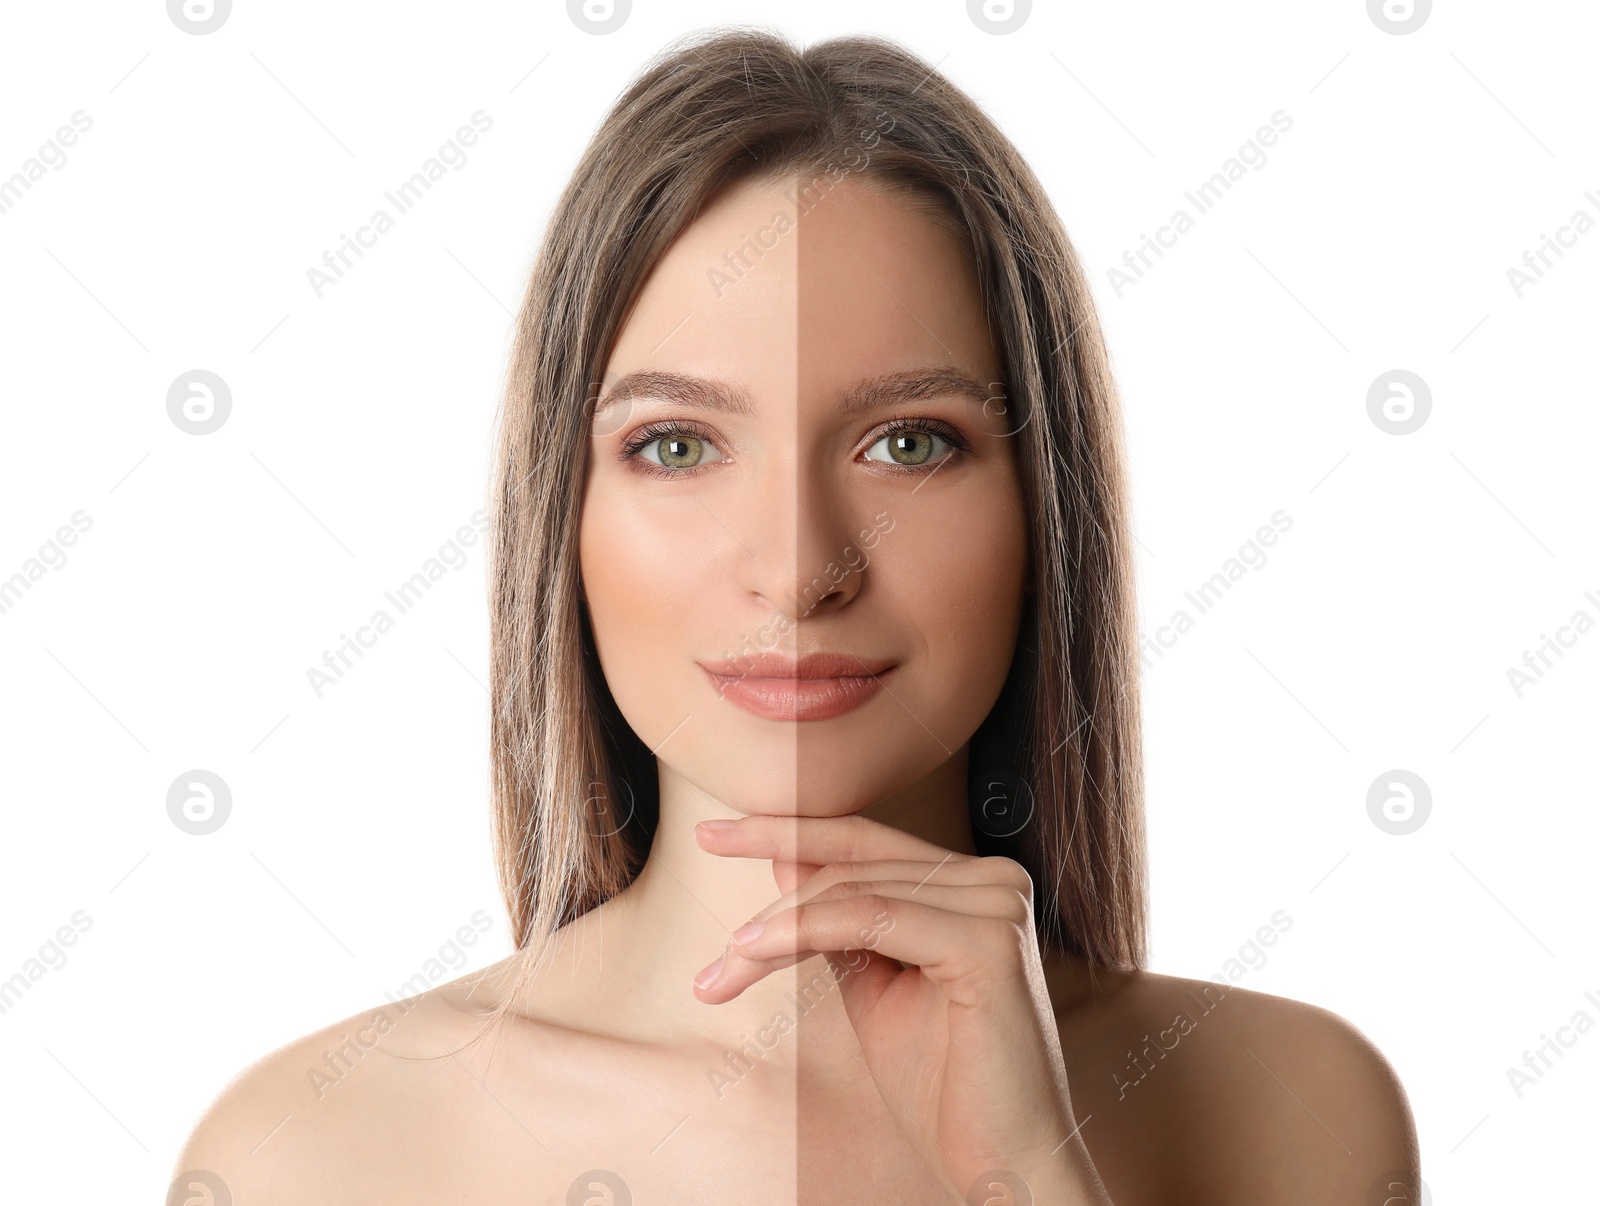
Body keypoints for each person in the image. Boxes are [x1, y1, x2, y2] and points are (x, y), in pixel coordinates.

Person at [175, 29, 1419, 1204]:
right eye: (676, 444)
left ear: (1045, 510)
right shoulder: (311, 1155)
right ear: (562, 515)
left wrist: (1030, 1173)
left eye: (909, 442)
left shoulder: (1292, 1111)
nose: (800, 568)